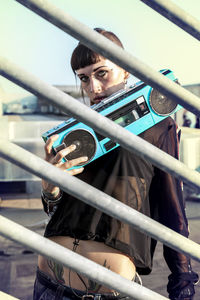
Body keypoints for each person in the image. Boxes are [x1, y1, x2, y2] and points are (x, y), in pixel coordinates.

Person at [33, 28, 198, 300]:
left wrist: (183, 286)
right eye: (83, 79)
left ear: (125, 70)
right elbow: (57, 210)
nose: (92, 88)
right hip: (49, 284)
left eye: (101, 73)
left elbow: (172, 212)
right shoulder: (76, 130)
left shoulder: (157, 124)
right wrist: (50, 188)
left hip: (105, 292)